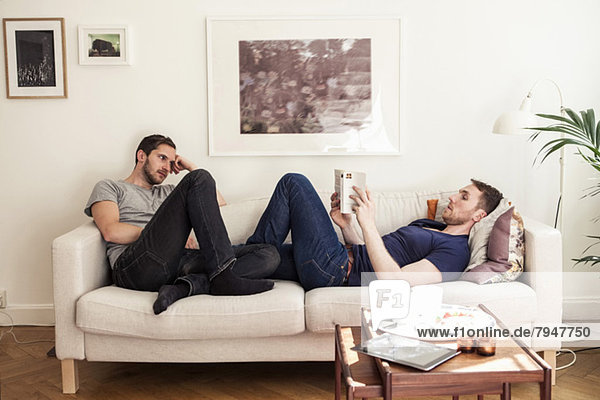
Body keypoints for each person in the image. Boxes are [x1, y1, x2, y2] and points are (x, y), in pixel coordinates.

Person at [85, 134, 277, 314]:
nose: (167, 168)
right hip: (134, 267)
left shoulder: (168, 192)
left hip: (177, 264)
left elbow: (219, 204)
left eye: (171, 163)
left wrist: (191, 167)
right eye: (161, 158)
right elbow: (111, 231)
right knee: (200, 178)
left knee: (269, 255)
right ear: (141, 155)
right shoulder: (111, 187)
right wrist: (169, 237)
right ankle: (222, 278)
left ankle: (187, 286)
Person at [247, 173, 503, 290]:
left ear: (479, 215)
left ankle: (254, 251)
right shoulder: (431, 226)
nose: (452, 197)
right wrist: (347, 225)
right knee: (240, 260)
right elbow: (371, 255)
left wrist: (368, 223)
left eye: (464, 196)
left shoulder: (455, 253)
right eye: (458, 192)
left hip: (334, 270)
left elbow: (395, 280)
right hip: (337, 257)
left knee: (295, 183)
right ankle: (219, 273)